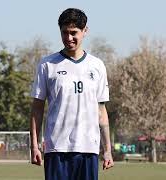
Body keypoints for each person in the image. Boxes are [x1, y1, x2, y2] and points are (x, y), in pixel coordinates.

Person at [29, 8, 114, 180]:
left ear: (85, 31)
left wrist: (107, 150)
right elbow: (37, 109)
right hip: (56, 149)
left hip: (88, 149)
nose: (69, 38)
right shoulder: (47, 65)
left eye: (74, 33)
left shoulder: (97, 66)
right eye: (64, 33)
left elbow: (101, 111)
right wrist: (34, 146)